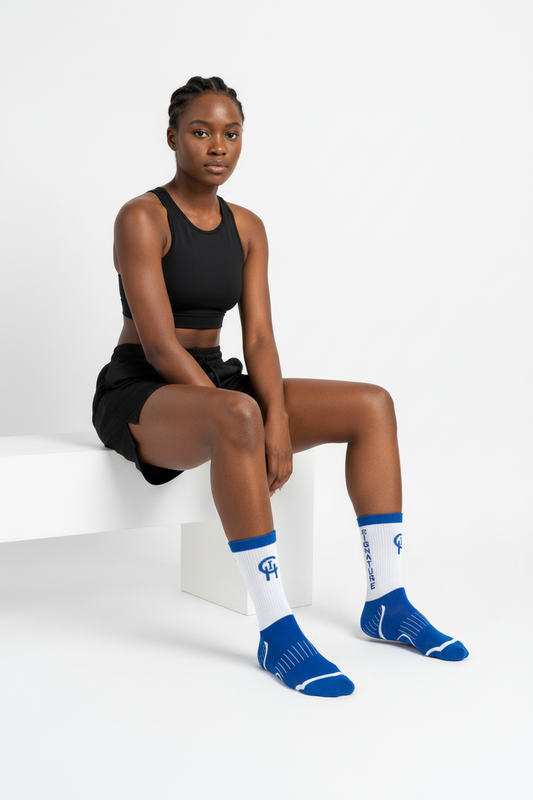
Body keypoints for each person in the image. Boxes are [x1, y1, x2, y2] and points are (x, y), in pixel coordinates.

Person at [93, 76, 468, 698]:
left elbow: (259, 339)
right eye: (201, 131)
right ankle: (276, 627)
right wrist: (243, 413)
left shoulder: (248, 227)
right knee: (237, 412)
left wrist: (279, 423)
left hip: (218, 380)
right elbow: (159, 345)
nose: (219, 146)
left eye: (232, 133)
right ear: (172, 138)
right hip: (141, 388)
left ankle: (388, 600)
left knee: (372, 406)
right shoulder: (141, 216)